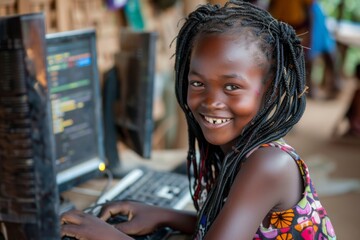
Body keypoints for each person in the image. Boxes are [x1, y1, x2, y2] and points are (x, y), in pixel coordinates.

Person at [61, 1, 336, 239]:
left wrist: (108, 236)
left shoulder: (269, 164)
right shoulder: (238, 150)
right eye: (197, 82)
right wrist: (164, 215)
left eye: (231, 87)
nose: (211, 101)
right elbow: (237, 228)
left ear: (270, 91)